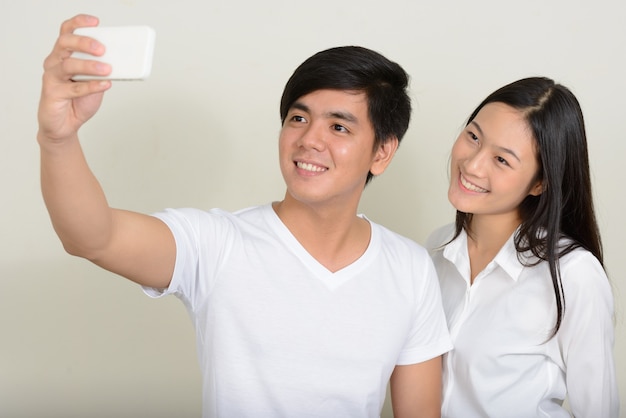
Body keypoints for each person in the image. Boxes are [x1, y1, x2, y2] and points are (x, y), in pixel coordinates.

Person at [38, 14, 452, 418]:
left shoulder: (410, 269)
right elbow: (93, 237)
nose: (309, 139)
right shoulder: (218, 243)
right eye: (298, 118)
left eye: (338, 127)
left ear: (382, 152)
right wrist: (58, 138)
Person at [426, 76, 619, 417]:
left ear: (540, 183)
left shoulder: (573, 275)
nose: (471, 165)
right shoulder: (437, 249)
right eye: (473, 136)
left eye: (502, 160)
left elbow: (599, 410)